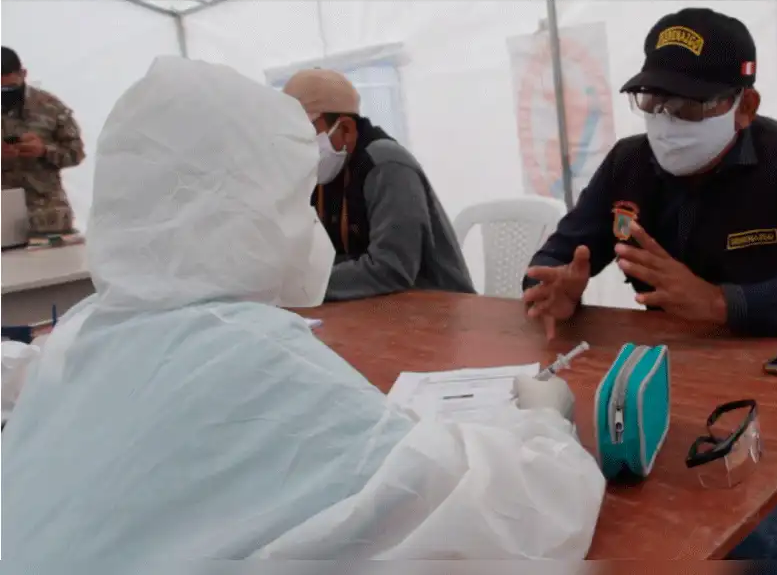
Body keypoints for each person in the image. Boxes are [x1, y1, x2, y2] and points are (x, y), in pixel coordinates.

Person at [1, 57, 604, 569]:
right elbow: (510, 517)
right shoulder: (249, 361)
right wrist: (545, 428)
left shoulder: (79, 338)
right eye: (287, 195)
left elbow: (391, 268)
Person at [522, 8, 777, 559]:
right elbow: (560, 258)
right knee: (581, 499)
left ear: (744, 105)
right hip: (674, 382)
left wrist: (725, 303)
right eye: (653, 101)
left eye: (692, 105)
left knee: (734, 532)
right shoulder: (630, 162)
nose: (667, 122)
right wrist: (557, 286)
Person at [281, 69, 476, 301]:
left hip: (437, 308)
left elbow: (392, 268)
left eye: (306, 134)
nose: (299, 146)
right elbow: (320, 254)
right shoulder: (322, 172)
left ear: (346, 129)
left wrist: (302, 285)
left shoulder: (387, 165)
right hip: (374, 309)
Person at [1, 46, 85, 236]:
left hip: (47, 218)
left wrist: (45, 151)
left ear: (23, 74)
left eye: (9, 88)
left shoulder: (49, 107)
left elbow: (76, 152)